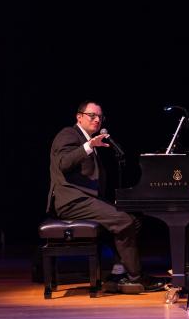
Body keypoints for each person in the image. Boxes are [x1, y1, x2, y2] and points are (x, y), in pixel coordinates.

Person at [48, 100, 166, 294]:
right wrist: (88, 146)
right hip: (71, 201)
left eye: (100, 117)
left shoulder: (89, 138)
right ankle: (136, 278)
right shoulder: (68, 134)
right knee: (123, 220)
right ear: (79, 117)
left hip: (85, 199)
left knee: (133, 221)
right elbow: (63, 163)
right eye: (91, 115)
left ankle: (118, 274)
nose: (97, 120)